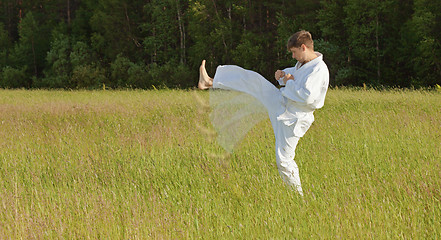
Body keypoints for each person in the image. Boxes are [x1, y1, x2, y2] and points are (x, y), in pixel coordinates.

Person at [198, 30, 329, 195]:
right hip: (283, 103)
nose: (293, 57)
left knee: (284, 161)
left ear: (303, 47)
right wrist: (281, 75)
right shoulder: (304, 63)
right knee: (256, 81)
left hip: (294, 118)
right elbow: (292, 76)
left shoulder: (319, 69)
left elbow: (308, 97)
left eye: (294, 52)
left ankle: (298, 198)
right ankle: (210, 81)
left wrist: (288, 82)